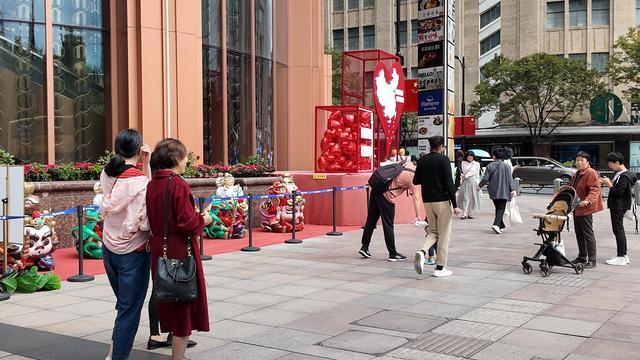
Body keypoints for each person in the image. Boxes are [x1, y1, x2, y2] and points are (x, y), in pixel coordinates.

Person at [146, 138, 213, 360]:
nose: (187, 161)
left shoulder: (153, 183)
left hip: (159, 248)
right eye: (185, 157)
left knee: (170, 299)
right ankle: (178, 357)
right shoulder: (177, 183)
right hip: (178, 248)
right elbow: (187, 222)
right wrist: (204, 219)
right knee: (183, 303)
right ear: (175, 159)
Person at [100, 129, 152, 360]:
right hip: (133, 251)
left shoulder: (107, 173)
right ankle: (117, 357)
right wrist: (146, 164)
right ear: (139, 148)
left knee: (124, 306)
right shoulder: (139, 181)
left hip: (109, 247)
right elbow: (143, 220)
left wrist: (145, 164)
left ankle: (113, 352)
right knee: (129, 310)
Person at [413, 136, 461, 277]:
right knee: (444, 234)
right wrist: (455, 205)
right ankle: (440, 268)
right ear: (441, 147)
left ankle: (422, 252)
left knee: (433, 231)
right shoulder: (443, 160)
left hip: (427, 201)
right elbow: (449, 184)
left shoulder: (422, 160)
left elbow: (416, 181)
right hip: (442, 201)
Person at [359, 162, 416, 262]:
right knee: (388, 225)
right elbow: (416, 197)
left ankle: (364, 247)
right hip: (386, 196)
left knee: (371, 221)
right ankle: (392, 253)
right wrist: (418, 216)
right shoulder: (412, 176)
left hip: (376, 190)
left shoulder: (406, 164)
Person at [569, 151, 603, 269]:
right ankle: (582, 256)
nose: (578, 162)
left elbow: (595, 189)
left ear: (587, 162)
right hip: (577, 207)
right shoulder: (577, 173)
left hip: (586, 208)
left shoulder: (591, 173)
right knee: (579, 233)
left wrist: (588, 200)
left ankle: (592, 260)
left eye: (581, 160)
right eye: (577, 160)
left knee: (588, 234)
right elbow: (571, 187)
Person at [601, 152, 635, 266]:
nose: (609, 166)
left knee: (618, 231)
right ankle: (623, 256)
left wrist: (609, 184)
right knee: (619, 231)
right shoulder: (621, 173)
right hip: (618, 206)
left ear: (617, 162)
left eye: (610, 163)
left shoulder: (624, 176)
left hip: (618, 206)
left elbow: (617, 192)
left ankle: (621, 256)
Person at [478, 148, 517, 234]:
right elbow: (510, 179)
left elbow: (485, 179)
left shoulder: (489, 165)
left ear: (494, 156)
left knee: (498, 207)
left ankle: (501, 225)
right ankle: (496, 224)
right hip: (503, 190)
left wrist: (479, 186)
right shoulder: (506, 166)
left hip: (492, 190)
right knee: (501, 208)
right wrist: (513, 189)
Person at [457, 151, 481, 219]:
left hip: (473, 181)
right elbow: (463, 171)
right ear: (466, 156)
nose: (470, 157)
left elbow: (477, 174)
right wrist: (465, 175)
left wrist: (478, 184)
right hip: (466, 181)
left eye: (471, 156)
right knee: (465, 197)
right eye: (468, 156)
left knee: (472, 197)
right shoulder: (463, 162)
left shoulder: (476, 164)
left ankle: (470, 213)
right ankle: (464, 213)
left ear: (473, 157)